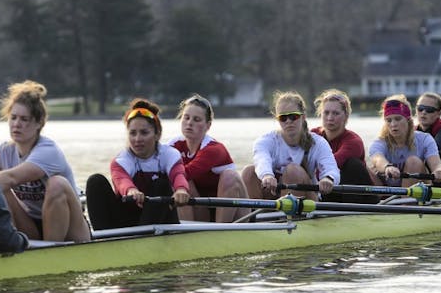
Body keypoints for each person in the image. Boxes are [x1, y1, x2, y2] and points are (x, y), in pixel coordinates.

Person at [0, 80, 91, 243]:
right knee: (0, 189)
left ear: (39, 122)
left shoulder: (48, 151)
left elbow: (12, 178)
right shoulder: (3, 152)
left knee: (57, 183)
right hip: (32, 226)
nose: (16, 124)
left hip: (71, 228)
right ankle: (10, 244)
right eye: (13, 118)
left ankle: (48, 253)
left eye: (24, 119)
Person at [85, 98, 190, 230]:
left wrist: (181, 189)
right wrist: (131, 190)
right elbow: (122, 181)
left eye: (144, 133)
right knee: (95, 181)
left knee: (161, 185)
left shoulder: (170, 155)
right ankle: (104, 240)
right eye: (133, 133)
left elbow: (178, 175)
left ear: (157, 134)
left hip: (161, 220)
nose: (137, 139)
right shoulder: (121, 160)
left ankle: (143, 239)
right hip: (127, 219)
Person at [242, 90, 340, 200]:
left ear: (303, 117)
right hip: (274, 198)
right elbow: (261, 160)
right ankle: (254, 214)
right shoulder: (265, 141)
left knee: (292, 171)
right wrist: (267, 175)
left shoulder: (318, 143)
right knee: (249, 172)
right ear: (277, 120)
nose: (288, 121)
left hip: (307, 200)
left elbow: (331, 168)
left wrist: (328, 178)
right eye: (283, 118)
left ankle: (290, 214)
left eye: (293, 117)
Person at [169, 94, 249, 223]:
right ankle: (183, 232)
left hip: (232, 214)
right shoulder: (174, 145)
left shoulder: (214, 149)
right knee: (180, 181)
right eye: (186, 117)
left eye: (196, 119)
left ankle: (220, 232)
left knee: (229, 175)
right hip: (202, 211)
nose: (189, 123)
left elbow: (187, 172)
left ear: (208, 125)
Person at [311, 88, 376, 202]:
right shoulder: (312, 135)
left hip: (358, 194)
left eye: (335, 113)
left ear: (345, 116)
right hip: (327, 189)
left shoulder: (353, 141)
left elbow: (332, 164)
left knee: (353, 164)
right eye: (326, 112)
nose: (330, 117)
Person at [368, 94, 441, 187]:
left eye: (398, 119)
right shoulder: (378, 143)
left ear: (408, 120)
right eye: (388, 120)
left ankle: (406, 201)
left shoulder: (425, 139)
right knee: (361, 166)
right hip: (387, 190)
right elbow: (378, 159)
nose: (393, 124)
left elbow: (436, 164)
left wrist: (439, 171)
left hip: (417, 188)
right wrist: (387, 167)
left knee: (413, 161)